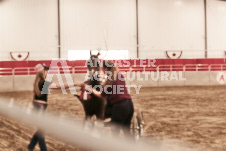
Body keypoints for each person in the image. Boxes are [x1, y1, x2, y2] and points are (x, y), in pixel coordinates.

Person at [27, 63, 81, 151]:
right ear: (43, 71)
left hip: (37, 106)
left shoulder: (37, 82)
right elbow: (60, 87)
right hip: (40, 107)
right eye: (46, 70)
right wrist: (76, 84)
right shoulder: (44, 82)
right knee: (41, 131)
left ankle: (30, 147)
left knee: (40, 129)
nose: (48, 71)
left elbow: (34, 95)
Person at [82, 60, 134, 137]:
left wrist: (89, 88)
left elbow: (100, 95)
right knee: (126, 132)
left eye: (102, 69)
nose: (101, 70)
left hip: (119, 107)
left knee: (115, 134)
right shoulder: (119, 75)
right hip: (129, 105)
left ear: (106, 69)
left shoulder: (109, 82)